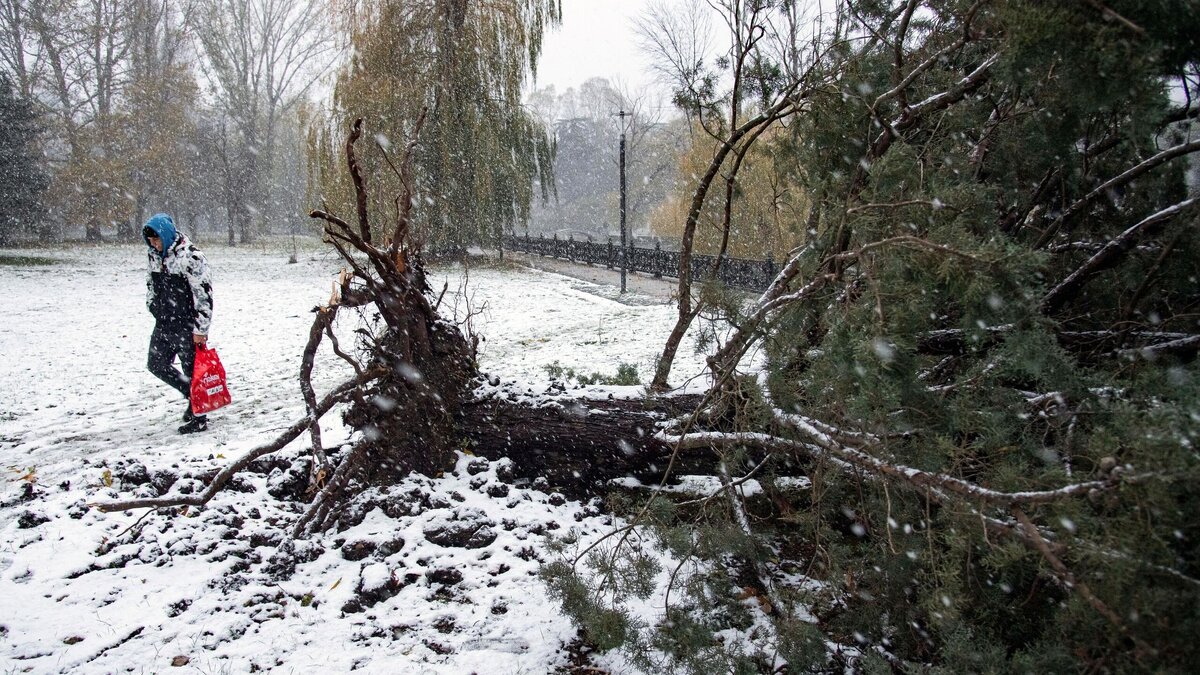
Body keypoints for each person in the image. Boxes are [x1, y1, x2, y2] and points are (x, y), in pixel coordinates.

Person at [142, 213, 214, 434]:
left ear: (166, 234)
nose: (154, 244)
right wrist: (153, 306)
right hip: (164, 322)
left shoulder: (191, 257)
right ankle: (192, 395)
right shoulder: (154, 255)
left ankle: (199, 417)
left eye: (157, 239)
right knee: (156, 364)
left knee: (192, 369)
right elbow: (150, 284)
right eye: (151, 241)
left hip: (187, 324)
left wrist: (200, 329)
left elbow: (203, 294)